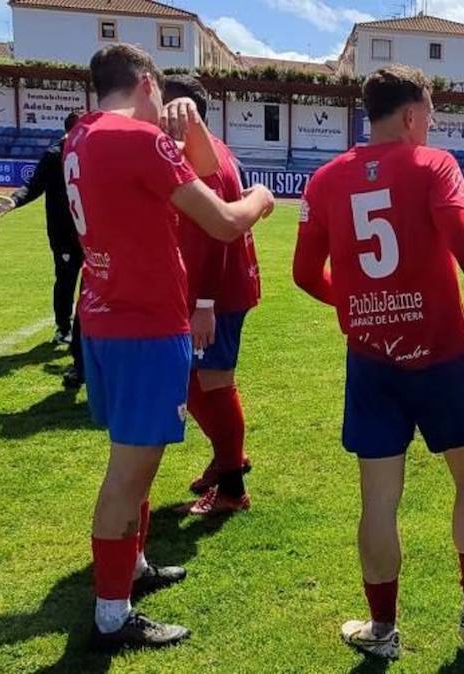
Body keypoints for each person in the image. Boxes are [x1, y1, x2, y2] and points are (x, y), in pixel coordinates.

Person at [293, 65, 464, 659]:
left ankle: (382, 630)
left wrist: (356, 303)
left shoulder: (324, 180)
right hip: (442, 352)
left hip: (372, 359)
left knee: (378, 500)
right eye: (430, 114)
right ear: (413, 114)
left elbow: (303, 273)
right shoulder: (434, 165)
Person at [69, 43, 274, 650]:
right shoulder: (140, 139)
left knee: (135, 465)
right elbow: (226, 221)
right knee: (128, 474)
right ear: (147, 83)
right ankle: (113, 615)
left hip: (104, 316)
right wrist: (261, 197)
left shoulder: (80, 135)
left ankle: (131, 567)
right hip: (145, 325)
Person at [161, 75, 262, 517]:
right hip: (215, 287)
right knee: (193, 382)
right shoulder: (208, 149)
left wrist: (204, 304)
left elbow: (218, 233)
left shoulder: (202, 157)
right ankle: (227, 457)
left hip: (217, 291)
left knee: (215, 381)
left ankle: (232, 487)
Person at [0, 110, 89, 390]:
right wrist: (14, 201)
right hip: (64, 233)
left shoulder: (91, 153)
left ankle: (85, 340)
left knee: (91, 287)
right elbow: (34, 186)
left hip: (91, 234)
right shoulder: (54, 155)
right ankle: (63, 327)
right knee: (67, 279)